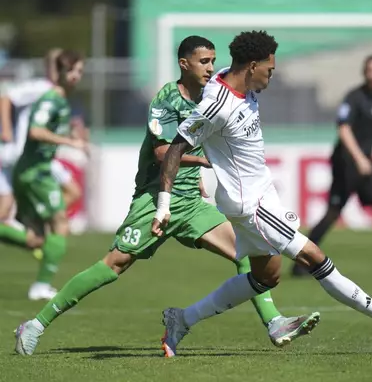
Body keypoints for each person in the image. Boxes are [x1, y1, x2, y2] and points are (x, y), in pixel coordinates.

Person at [13, 36, 318, 357]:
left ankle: (273, 322)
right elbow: (163, 153)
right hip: (154, 198)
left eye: (212, 61)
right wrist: (205, 163)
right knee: (113, 265)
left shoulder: (213, 93)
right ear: (184, 64)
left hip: (189, 202)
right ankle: (36, 324)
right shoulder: (166, 100)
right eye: (203, 61)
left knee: (245, 250)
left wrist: (199, 176)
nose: (210, 67)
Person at [152, 31, 372, 356]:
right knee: (315, 258)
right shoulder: (217, 105)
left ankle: (181, 319)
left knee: (266, 277)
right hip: (251, 205)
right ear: (252, 66)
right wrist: (163, 204)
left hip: (261, 195)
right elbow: (175, 148)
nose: (272, 75)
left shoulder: (234, 79)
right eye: (270, 68)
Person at [292, 55, 372, 277]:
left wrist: (365, 160)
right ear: (365, 72)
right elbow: (343, 128)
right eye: (371, 70)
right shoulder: (354, 98)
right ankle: (300, 261)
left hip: (365, 164)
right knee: (333, 213)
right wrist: (360, 158)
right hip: (348, 164)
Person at [0, 50, 88, 301]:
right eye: (74, 70)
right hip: (32, 166)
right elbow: (36, 130)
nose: (77, 76)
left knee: (36, 238)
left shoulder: (59, 99)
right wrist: (70, 143)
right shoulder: (48, 95)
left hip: (39, 164)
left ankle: (39, 237)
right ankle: (41, 286)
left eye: (80, 71)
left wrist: (74, 134)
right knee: (60, 222)